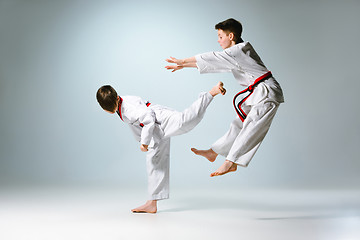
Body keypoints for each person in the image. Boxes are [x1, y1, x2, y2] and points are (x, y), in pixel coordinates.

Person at [165, 18, 284, 177]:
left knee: (252, 126)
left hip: (267, 92)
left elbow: (212, 58)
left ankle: (231, 162)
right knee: (238, 124)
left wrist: (183, 61)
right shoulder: (236, 53)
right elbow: (214, 63)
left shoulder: (239, 51)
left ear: (231, 36)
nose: (218, 40)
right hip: (257, 92)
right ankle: (214, 152)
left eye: (221, 36)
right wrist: (183, 65)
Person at [96, 82, 226, 213]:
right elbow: (136, 124)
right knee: (154, 161)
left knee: (185, 120)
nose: (112, 111)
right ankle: (152, 203)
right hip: (154, 130)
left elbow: (147, 118)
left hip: (159, 119)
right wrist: (142, 140)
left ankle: (210, 93)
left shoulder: (128, 109)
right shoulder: (121, 105)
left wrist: (144, 143)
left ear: (117, 98)